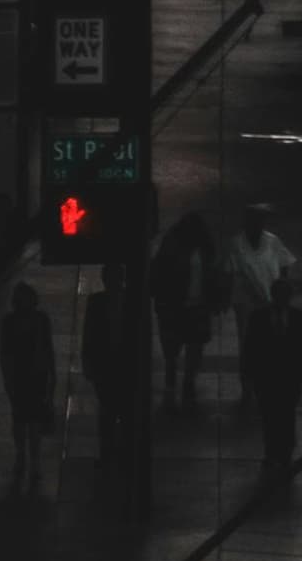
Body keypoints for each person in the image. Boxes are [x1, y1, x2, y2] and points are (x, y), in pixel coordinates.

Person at [149, 201, 218, 408]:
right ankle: (180, 383)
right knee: (178, 349)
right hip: (179, 307)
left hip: (189, 307)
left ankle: (181, 383)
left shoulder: (182, 247)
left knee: (186, 349)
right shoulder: (195, 248)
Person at [244, 287, 302, 500]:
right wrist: (249, 375)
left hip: (289, 378)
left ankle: (284, 453)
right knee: (269, 416)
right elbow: (250, 348)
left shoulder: (299, 317)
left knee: (286, 416)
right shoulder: (258, 317)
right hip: (267, 378)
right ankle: (273, 451)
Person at [82, 268, 146, 474]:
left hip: (120, 364)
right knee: (111, 411)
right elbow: (89, 333)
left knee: (117, 412)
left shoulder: (115, 301)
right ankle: (112, 453)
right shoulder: (101, 302)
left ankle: (114, 454)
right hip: (107, 365)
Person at [0, 279, 55, 497]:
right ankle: (30, 458)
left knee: (24, 419)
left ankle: (24, 457)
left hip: (26, 377)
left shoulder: (11, 322)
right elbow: (47, 349)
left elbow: (5, 352)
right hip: (29, 376)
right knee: (29, 420)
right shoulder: (39, 320)